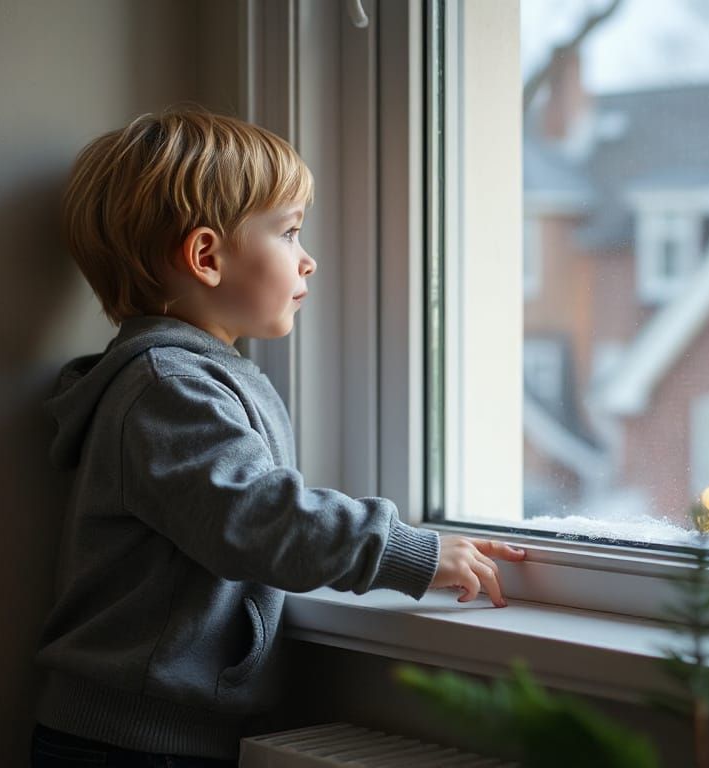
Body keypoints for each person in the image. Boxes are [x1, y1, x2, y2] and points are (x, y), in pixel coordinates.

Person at [30, 108, 527, 766]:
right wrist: (412, 552)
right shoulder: (168, 390)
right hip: (129, 744)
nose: (309, 259)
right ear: (206, 256)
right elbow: (256, 516)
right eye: (290, 233)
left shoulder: (193, 378)